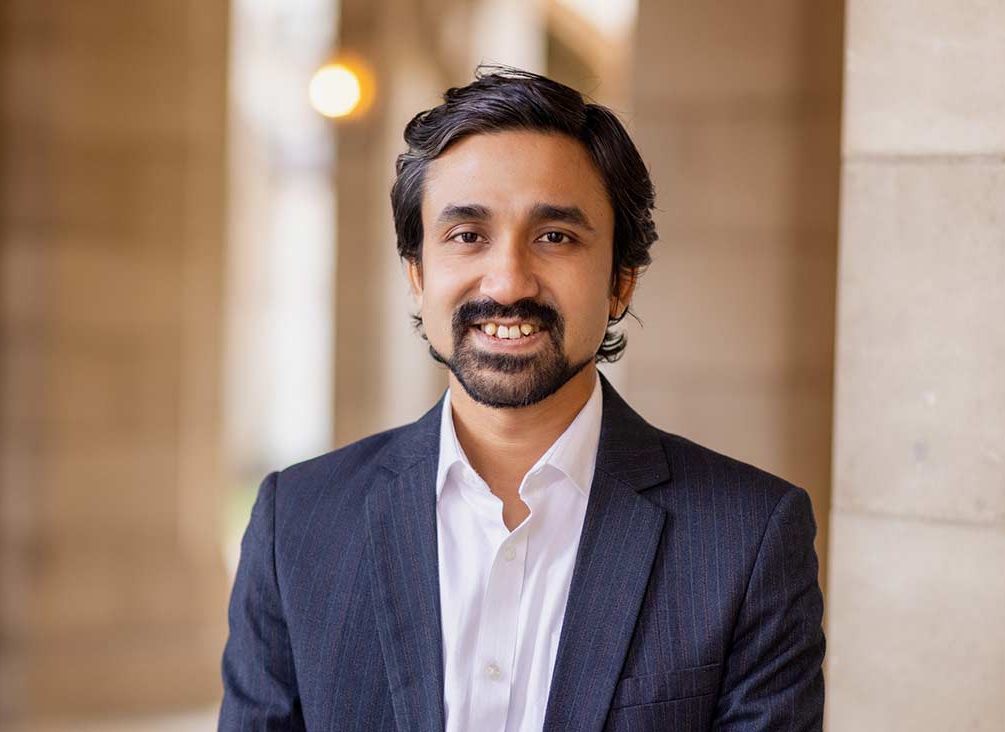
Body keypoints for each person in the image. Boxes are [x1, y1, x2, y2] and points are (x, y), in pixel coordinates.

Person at [219, 66, 825, 732]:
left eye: (555, 237)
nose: (508, 283)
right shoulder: (297, 525)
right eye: (467, 236)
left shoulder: (747, 538)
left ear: (621, 281)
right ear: (417, 274)